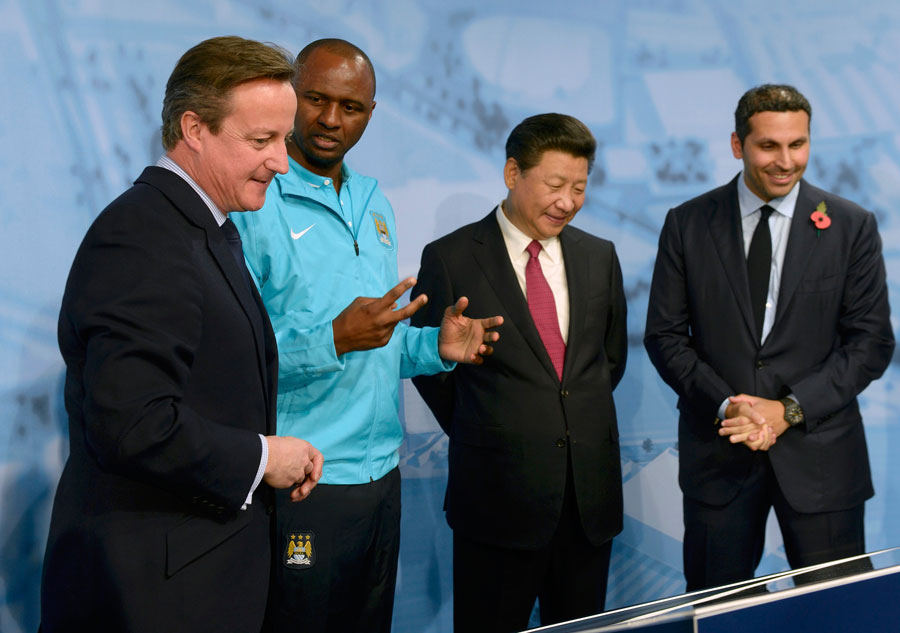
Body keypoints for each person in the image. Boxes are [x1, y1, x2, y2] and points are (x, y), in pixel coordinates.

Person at [41, 36, 324, 633]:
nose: (281, 161)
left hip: (195, 575)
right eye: (261, 141)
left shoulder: (199, 226)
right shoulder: (144, 235)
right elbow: (133, 424)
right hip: (151, 593)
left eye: (284, 138)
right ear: (193, 128)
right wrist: (262, 457)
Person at [230, 38, 501, 633]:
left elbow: (377, 340)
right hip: (305, 478)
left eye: (350, 106)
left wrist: (436, 347)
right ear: (289, 98)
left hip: (381, 476)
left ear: (370, 113)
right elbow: (238, 356)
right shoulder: (253, 200)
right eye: (316, 99)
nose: (331, 119)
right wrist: (333, 338)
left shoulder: (372, 200)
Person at [644, 84, 895, 591]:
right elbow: (665, 337)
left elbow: (870, 343)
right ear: (737, 145)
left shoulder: (851, 226)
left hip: (822, 460)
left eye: (797, 144)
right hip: (720, 458)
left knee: (838, 617)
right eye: (768, 146)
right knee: (719, 615)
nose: (786, 161)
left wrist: (790, 410)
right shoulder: (687, 224)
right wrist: (728, 407)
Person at [410, 113, 628, 632]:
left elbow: (606, 363)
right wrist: (491, 427)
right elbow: (427, 363)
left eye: (579, 187)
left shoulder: (600, 256)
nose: (568, 201)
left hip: (587, 503)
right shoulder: (451, 257)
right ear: (513, 173)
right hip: (497, 499)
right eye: (555, 185)